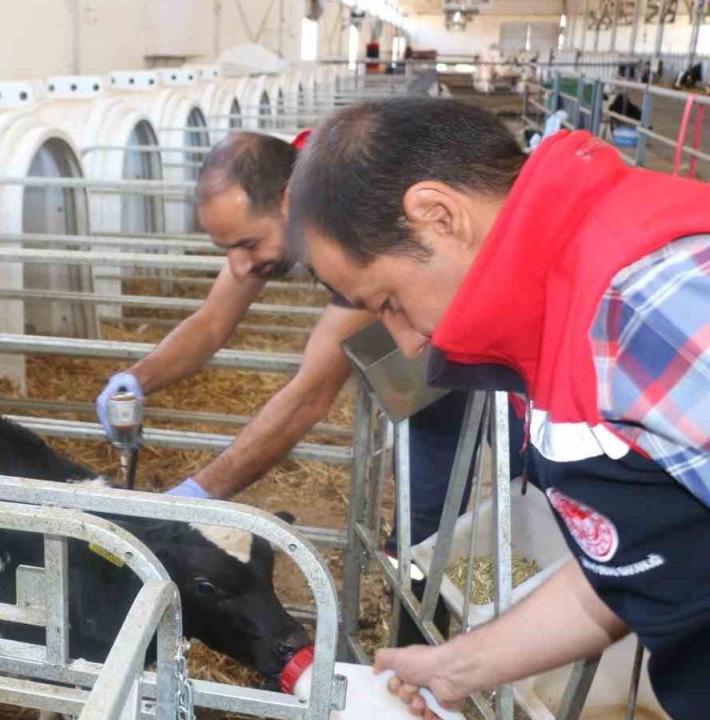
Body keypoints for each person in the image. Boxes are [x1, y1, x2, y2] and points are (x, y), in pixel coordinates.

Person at [288, 96, 710, 719]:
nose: (407, 341)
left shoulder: (647, 305)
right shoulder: (561, 307)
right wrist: (456, 667)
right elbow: (634, 554)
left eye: (389, 301)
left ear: (438, 215)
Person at [95, 132, 520, 552]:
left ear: (288, 201)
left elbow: (310, 394)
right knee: (427, 480)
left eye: (248, 244)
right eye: (228, 249)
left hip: (508, 340)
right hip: (430, 346)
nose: (239, 267)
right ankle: (419, 568)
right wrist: (136, 379)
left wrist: (194, 496)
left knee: (527, 476)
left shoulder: (352, 226)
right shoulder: (297, 200)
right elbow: (210, 323)